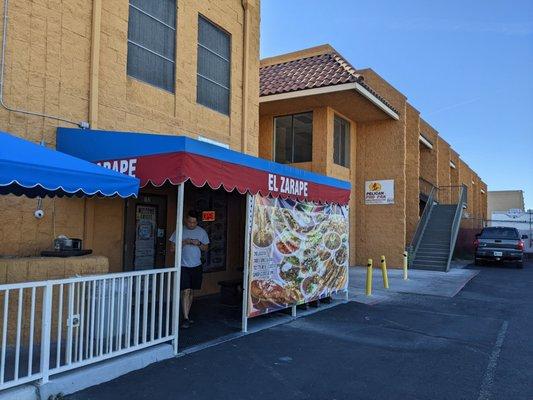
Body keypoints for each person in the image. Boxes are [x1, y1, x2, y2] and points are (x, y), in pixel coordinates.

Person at [169, 210, 209, 329]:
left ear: (197, 222)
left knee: (191, 291)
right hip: (183, 265)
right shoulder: (179, 230)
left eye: (194, 222)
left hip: (196, 266)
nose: (191, 224)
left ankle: (187, 314)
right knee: (185, 290)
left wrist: (198, 244)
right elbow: (172, 249)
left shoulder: (202, 232)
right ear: (186, 220)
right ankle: (185, 318)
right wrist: (184, 242)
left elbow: (206, 248)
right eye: (190, 222)